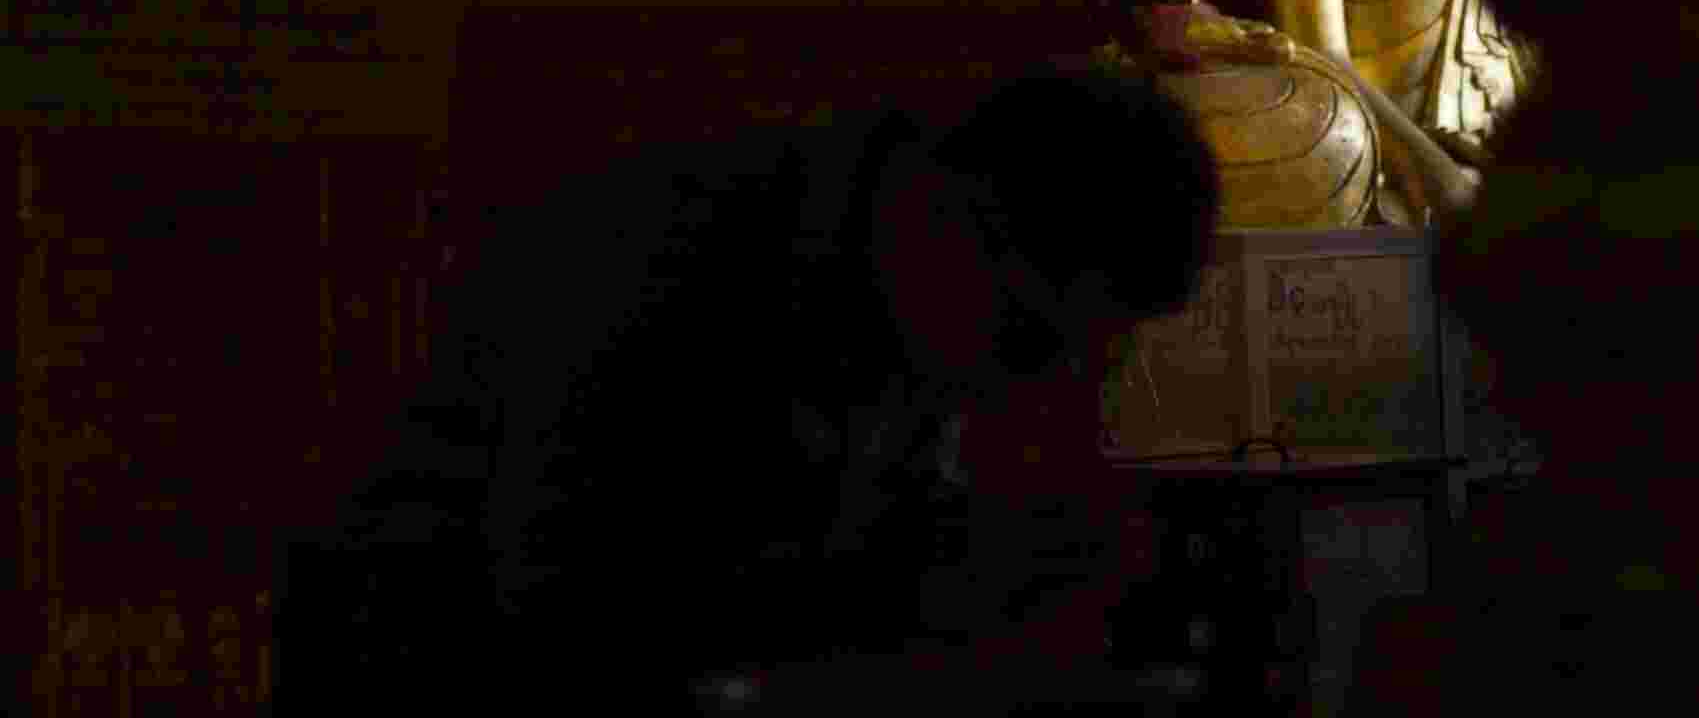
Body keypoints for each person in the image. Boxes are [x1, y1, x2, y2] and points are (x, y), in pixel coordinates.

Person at [269, 59, 1218, 708]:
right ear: (957, 216)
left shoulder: (882, 266)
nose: (1020, 386)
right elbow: (568, 606)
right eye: (1027, 342)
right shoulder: (669, 263)